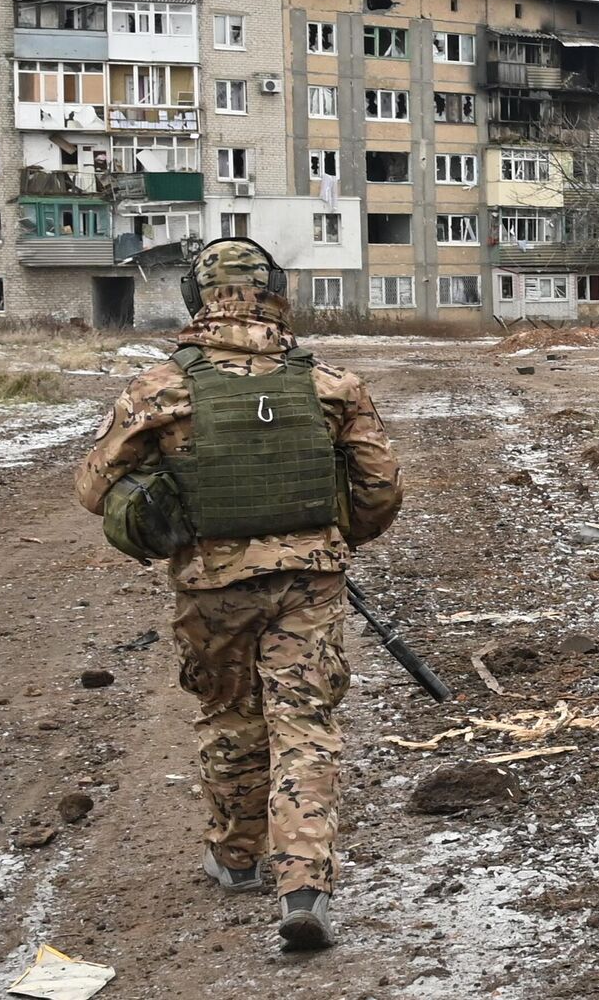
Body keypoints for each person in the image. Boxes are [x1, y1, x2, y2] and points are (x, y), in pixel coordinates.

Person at [75, 238, 402, 950]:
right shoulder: (331, 385)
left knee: (230, 716)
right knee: (304, 724)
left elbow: (93, 488)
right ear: (277, 292)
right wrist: (326, 525)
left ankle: (236, 859)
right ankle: (305, 886)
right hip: (308, 581)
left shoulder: (159, 389)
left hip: (211, 585)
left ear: (196, 298)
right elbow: (379, 495)